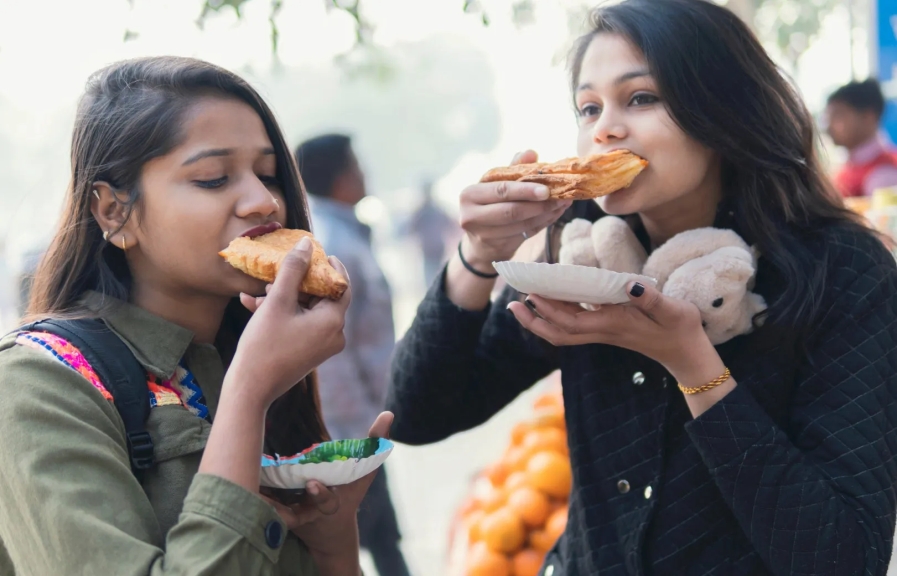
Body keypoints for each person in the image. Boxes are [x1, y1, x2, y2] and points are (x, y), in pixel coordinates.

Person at [387, 1, 897, 575]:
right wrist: (475, 257)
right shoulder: (583, 255)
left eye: (641, 98)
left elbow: (847, 558)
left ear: (724, 110)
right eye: (587, 107)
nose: (603, 127)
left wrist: (695, 368)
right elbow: (417, 415)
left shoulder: (842, 270)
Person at [0, 56, 392, 575]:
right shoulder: (34, 387)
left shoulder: (243, 353)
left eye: (269, 174)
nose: (261, 201)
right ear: (113, 212)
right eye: (212, 178)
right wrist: (248, 394)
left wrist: (336, 546)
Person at [295, 134, 412, 576]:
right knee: (367, 536)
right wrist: (354, 436)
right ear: (339, 177)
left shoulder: (344, 230)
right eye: (356, 165)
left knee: (383, 537)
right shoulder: (330, 244)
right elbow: (330, 355)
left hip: (364, 417)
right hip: (351, 428)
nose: (364, 174)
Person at [826, 78, 897, 197]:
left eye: (838, 116)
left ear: (867, 117)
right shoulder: (850, 167)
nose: (828, 126)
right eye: (828, 118)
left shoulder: (885, 174)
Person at [405, 180, 459, 286]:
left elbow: (450, 224)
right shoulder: (423, 211)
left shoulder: (432, 210)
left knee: (435, 278)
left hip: (436, 250)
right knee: (432, 278)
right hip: (430, 251)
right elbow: (411, 229)